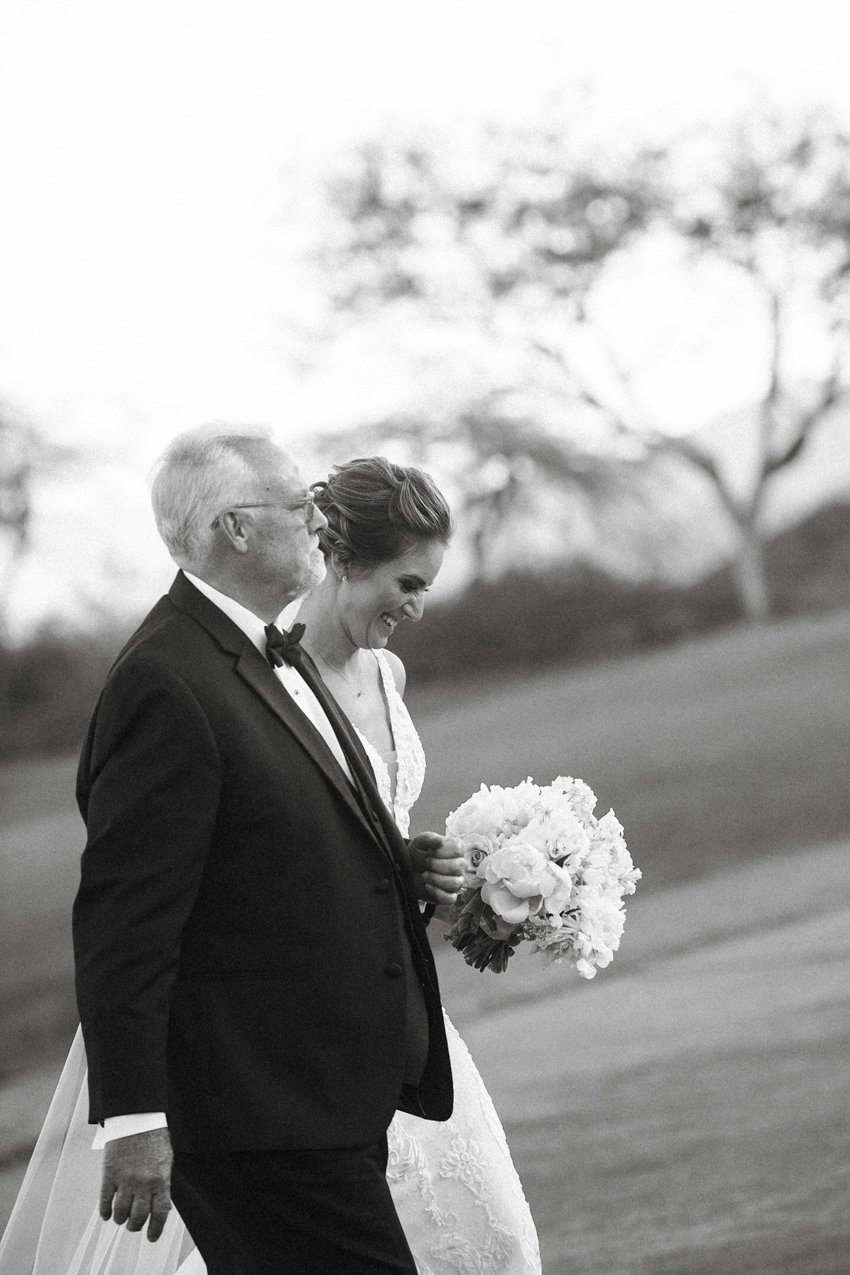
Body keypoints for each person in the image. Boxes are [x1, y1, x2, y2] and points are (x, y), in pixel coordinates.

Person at [0, 425, 465, 1275]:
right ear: (235, 529)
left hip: (323, 1100)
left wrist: (401, 859)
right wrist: (135, 1119)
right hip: (258, 1116)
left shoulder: (260, 653)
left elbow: (271, 855)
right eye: (301, 506)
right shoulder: (165, 678)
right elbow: (124, 918)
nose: (320, 525)